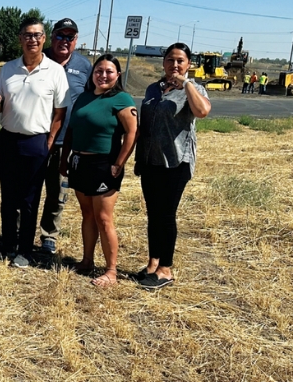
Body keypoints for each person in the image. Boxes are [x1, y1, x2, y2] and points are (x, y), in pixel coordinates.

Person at [0, 17, 69, 269]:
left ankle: (25, 250)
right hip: (9, 139)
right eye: (27, 35)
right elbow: (1, 103)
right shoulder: (8, 69)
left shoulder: (55, 71)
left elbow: (60, 112)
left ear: (43, 39)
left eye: (37, 35)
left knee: (29, 200)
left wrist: (48, 142)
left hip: (37, 142)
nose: (32, 40)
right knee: (9, 198)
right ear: (20, 39)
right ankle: (6, 246)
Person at [134, 43, 211, 290]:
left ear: (189, 64)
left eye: (180, 60)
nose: (174, 65)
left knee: (166, 215)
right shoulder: (152, 89)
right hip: (150, 161)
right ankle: (153, 262)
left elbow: (202, 112)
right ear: (163, 62)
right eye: (170, 60)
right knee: (153, 214)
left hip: (176, 161)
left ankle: (165, 269)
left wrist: (186, 84)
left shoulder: (195, 88)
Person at [60, 54, 137, 286]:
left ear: (118, 75)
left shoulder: (122, 99)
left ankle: (111, 271)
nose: (103, 75)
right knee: (87, 215)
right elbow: (71, 131)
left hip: (104, 165)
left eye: (109, 71)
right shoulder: (83, 97)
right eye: (98, 71)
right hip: (80, 163)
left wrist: (119, 163)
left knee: (104, 218)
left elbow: (132, 133)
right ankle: (86, 261)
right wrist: (65, 159)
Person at [38, 18, 92, 255]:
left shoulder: (84, 66)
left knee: (57, 193)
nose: (65, 41)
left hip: (65, 141)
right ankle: (18, 232)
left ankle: (49, 235)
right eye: (60, 35)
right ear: (51, 37)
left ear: (76, 41)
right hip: (36, 135)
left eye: (70, 37)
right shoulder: (39, 57)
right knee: (26, 189)